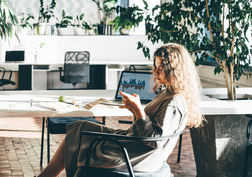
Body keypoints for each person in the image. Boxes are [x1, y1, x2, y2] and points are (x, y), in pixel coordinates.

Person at [38, 43, 203, 177]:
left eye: (160, 68)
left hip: (137, 155)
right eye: (156, 66)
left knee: (81, 137)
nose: (155, 71)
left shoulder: (173, 102)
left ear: (174, 70)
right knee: (81, 127)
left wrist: (138, 110)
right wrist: (136, 111)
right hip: (135, 145)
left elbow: (154, 141)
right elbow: (151, 131)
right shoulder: (168, 93)